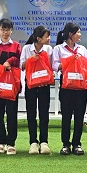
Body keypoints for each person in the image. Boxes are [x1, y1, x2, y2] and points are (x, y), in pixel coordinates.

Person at [52, 22, 87, 156]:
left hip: (81, 87)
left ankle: (77, 144)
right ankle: (65, 144)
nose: (80, 35)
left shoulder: (82, 49)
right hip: (66, 87)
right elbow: (54, 66)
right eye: (78, 32)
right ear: (70, 34)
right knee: (66, 116)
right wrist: (70, 61)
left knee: (80, 116)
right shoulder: (58, 49)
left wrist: (80, 62)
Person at [0, 18, 22, 155]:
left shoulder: (16, 46)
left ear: (11, 31)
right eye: (2, 29)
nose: (5, 32)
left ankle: (11, 142)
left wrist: (10, 61)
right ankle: (1, 141)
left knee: (12, 114)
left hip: (12, 85)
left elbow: (19, 61)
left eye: (7, 29)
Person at [20, 25, 53, 155]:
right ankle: (33, 142)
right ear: (39, 38)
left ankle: (44, 142)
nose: (49, 39)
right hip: (31, 85)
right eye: (46, 37)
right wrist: (31, 60)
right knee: (31, 113)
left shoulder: (49, 49)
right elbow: (21, 66)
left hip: (44, 85)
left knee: (44, 113)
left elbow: (51, 66)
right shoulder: (27, 49)